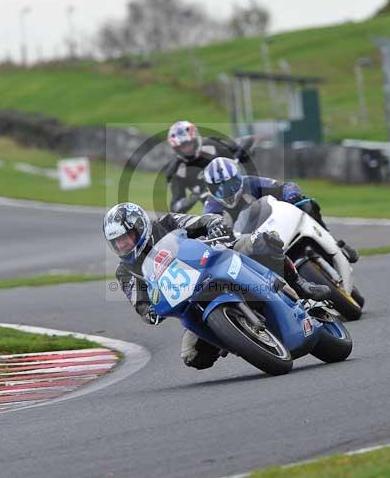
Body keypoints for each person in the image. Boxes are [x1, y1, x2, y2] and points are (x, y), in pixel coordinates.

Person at [103, 202, 333, 370]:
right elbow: (141, 304)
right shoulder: (125, 272)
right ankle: (235, 336)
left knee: (261, 242)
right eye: (118, 242)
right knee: (192, 356)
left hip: (215, 259)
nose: (123, 245)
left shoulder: (165, 223)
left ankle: (300, 285)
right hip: (191, 299)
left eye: (127, 237)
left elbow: (204, 221)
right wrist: (150, 312)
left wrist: (215, 228)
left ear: (140, 226)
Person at [201, 157, 358, 262]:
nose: (227, 192)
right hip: (251, 245)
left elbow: (283, 186)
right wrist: (213, 234)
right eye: (219, 188)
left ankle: (337, 244)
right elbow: (207, 227)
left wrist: (291, 194)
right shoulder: (211, 206)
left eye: (231, 184)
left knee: (306, 203)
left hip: (274, 223)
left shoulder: (252, 183)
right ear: (210, 189)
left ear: (239, 178)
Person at [165, 121, 251, 213]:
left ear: (196, 139)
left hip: (240, 192)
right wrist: (194, 197)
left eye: (188, 144)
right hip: (216, 209)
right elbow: (175, 207)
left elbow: (241, 152)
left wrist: (243, 154)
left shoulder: (214, 143)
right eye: (182, 147)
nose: (186, 150)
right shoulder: (175, 170)